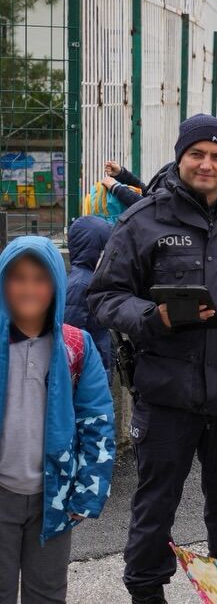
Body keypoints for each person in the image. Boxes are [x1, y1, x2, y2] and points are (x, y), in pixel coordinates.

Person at [87, 113, 217, 604]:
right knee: (155, 505)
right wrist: (152, 316)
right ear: (180, 157)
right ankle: (145, 592)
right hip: (167, 393)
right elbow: (104, 296)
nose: (206, 164)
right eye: (196, 154)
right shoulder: (143, 220)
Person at [0, 237, 116, 603]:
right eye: (18, 277)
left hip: (55, 497)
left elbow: (97, 421)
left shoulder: (76, 346)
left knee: (47, 592)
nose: (28, 289)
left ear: (56, 285)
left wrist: (87, 491)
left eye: (40, 278)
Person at [65, 215, 114, 379]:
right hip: (89, 370)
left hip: (95, 365)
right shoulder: (81, 284)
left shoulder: (89, 279)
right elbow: (71, 335)